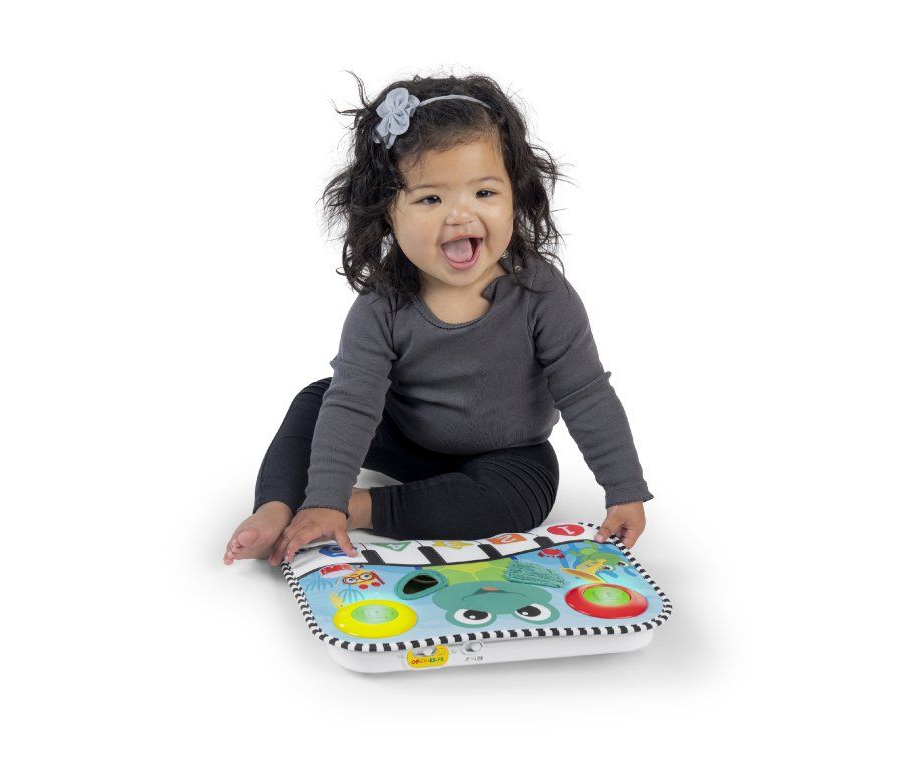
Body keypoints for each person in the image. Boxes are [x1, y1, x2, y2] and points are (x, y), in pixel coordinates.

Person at [223, 71, 653, 567]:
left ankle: (360, 506)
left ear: (516, 195)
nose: (459, 215)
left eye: (484, 193)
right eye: (431, 198)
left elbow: (585, 393)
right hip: (403, 438)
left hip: (507, 454)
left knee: (524, 495)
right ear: (388, 213)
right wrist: (323, 494)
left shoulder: (542, 293)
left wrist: (624, 489)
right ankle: (278, 506)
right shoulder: (382, 304)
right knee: (320, 400)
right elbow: (355, 403)